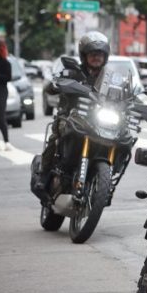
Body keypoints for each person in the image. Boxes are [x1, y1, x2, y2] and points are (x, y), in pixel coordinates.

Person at [34, 31, 110, 199]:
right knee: (57, 136)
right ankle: (43, 174)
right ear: (84, 56)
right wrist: (56, 84)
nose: (97, 57)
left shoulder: (109, 77)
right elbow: (50, 86)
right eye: (93, 54)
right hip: (71, 117)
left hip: (98, 121)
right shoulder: (73, 72)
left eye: (100, 54)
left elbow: (125, 93)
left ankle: (105, 183)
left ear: (106, 56)